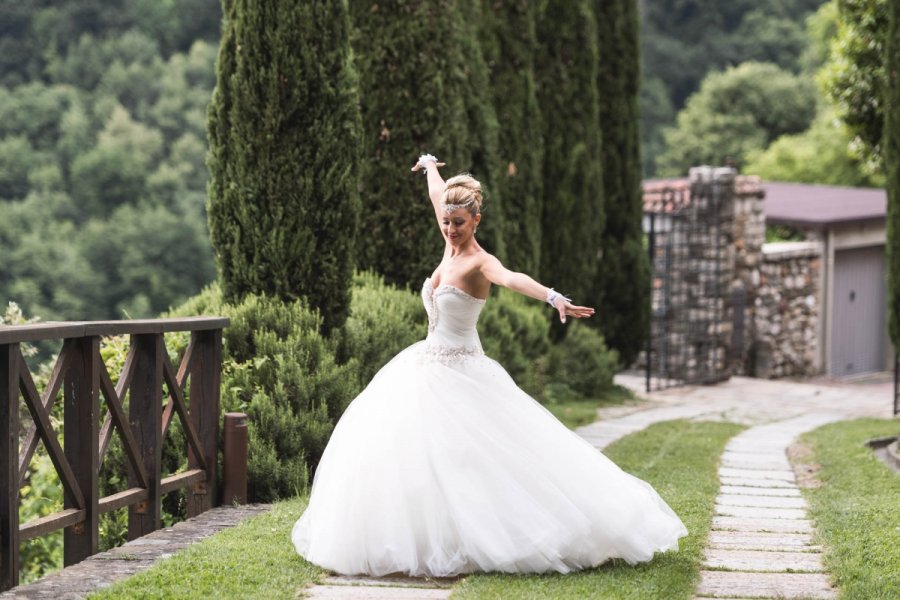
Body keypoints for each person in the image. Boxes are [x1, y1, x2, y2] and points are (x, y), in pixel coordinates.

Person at [291, 154, 687, 577]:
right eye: (446, 221)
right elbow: (437, 194)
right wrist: (430, 168)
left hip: (464, 372)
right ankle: (432, 538)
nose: (449, 228)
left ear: (475, 220)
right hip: (422, 367)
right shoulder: (447, 241)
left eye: (458, 222)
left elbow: (513, 277)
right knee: (413, 455)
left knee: (482, 458)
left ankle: (519, 530)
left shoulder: (481, 261)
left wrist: (553, 297)